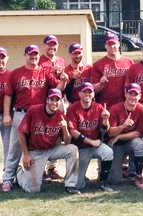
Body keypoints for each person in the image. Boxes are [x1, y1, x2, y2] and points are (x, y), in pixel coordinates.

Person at [2, 44, 68, 192]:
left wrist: (63, 81)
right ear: (25, 56)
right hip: (21, 113)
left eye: (36, 54)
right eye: (30, 54)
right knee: (15, 148)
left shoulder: (44, 73)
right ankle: (8, 179)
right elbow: (8, 95)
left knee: (39, 145)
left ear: (39, 56)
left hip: (39, 115)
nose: (33, 57)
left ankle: (38, 174)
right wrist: (7, 114)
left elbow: (56, 90)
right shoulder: (17, 73)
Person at [16, 88, 80, 194]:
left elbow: (68, 141)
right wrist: (26, 154)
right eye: (52, 99)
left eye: (57, 100)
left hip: (51, 149)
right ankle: (18, 172)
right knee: (33, 190)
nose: (54, 103)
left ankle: (71, 185)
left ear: (60, 102)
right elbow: (21, 132)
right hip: (35, 151)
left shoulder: (60, 115)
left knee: (73, 149)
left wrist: (65, 130)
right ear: (47, 100)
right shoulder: (34, 110)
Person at [66, 82, 114, 192]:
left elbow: (104, 130)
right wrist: (91, 142)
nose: (87, 94)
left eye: (90, 92)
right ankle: (75, 176)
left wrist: (106, 120)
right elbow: (73, 131)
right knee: (79, 185)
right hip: (81, 148)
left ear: (93, 94)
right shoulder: (73, 108)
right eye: (85, 92)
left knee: (108, 152)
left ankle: (103, 183)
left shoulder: (99, 107)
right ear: (79, 94)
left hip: (95, 145)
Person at [108, 83, 143, 190]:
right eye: (130, 93)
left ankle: (137, 176)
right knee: (114, 180)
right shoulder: (115, 108)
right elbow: (110, 133)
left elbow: (139, 133)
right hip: (116, 145)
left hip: (129, 142)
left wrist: (119, 136)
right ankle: (114, 171)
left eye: (136, 94)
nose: (133, 97)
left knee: (139, 143)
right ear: (125, 94)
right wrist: (122, 126)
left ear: (140, 96)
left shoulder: (142, 109)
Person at [39, 34, 68, 179]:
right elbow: (37, 81)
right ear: (45, 46)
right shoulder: (40, 61)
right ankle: (42, 167)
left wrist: (65, 79)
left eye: (54, 44)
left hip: (59, 100)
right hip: (44, 100)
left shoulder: (61, 60)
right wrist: (48, 72)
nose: (52, 47)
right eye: (49, 44)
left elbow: (63, 83)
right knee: (42, 133)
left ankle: (53, 168)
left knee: (57, 131)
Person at [91, 32, 134, 109]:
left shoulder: (129, 62)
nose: (112, 46)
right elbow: (93, 89)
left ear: (119, 44)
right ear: (105, 46)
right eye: (109, 44)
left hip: (126, 105)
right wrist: (100, 84)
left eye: (114, 44)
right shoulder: (98, 64)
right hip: (106, 105)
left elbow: (135, 84)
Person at [0, 47, 11, 168]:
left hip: (6, 116)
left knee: (9, 146)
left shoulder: (11, 75)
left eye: (2, 57)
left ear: (7, 59)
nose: (0, 60)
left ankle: (8, 174)